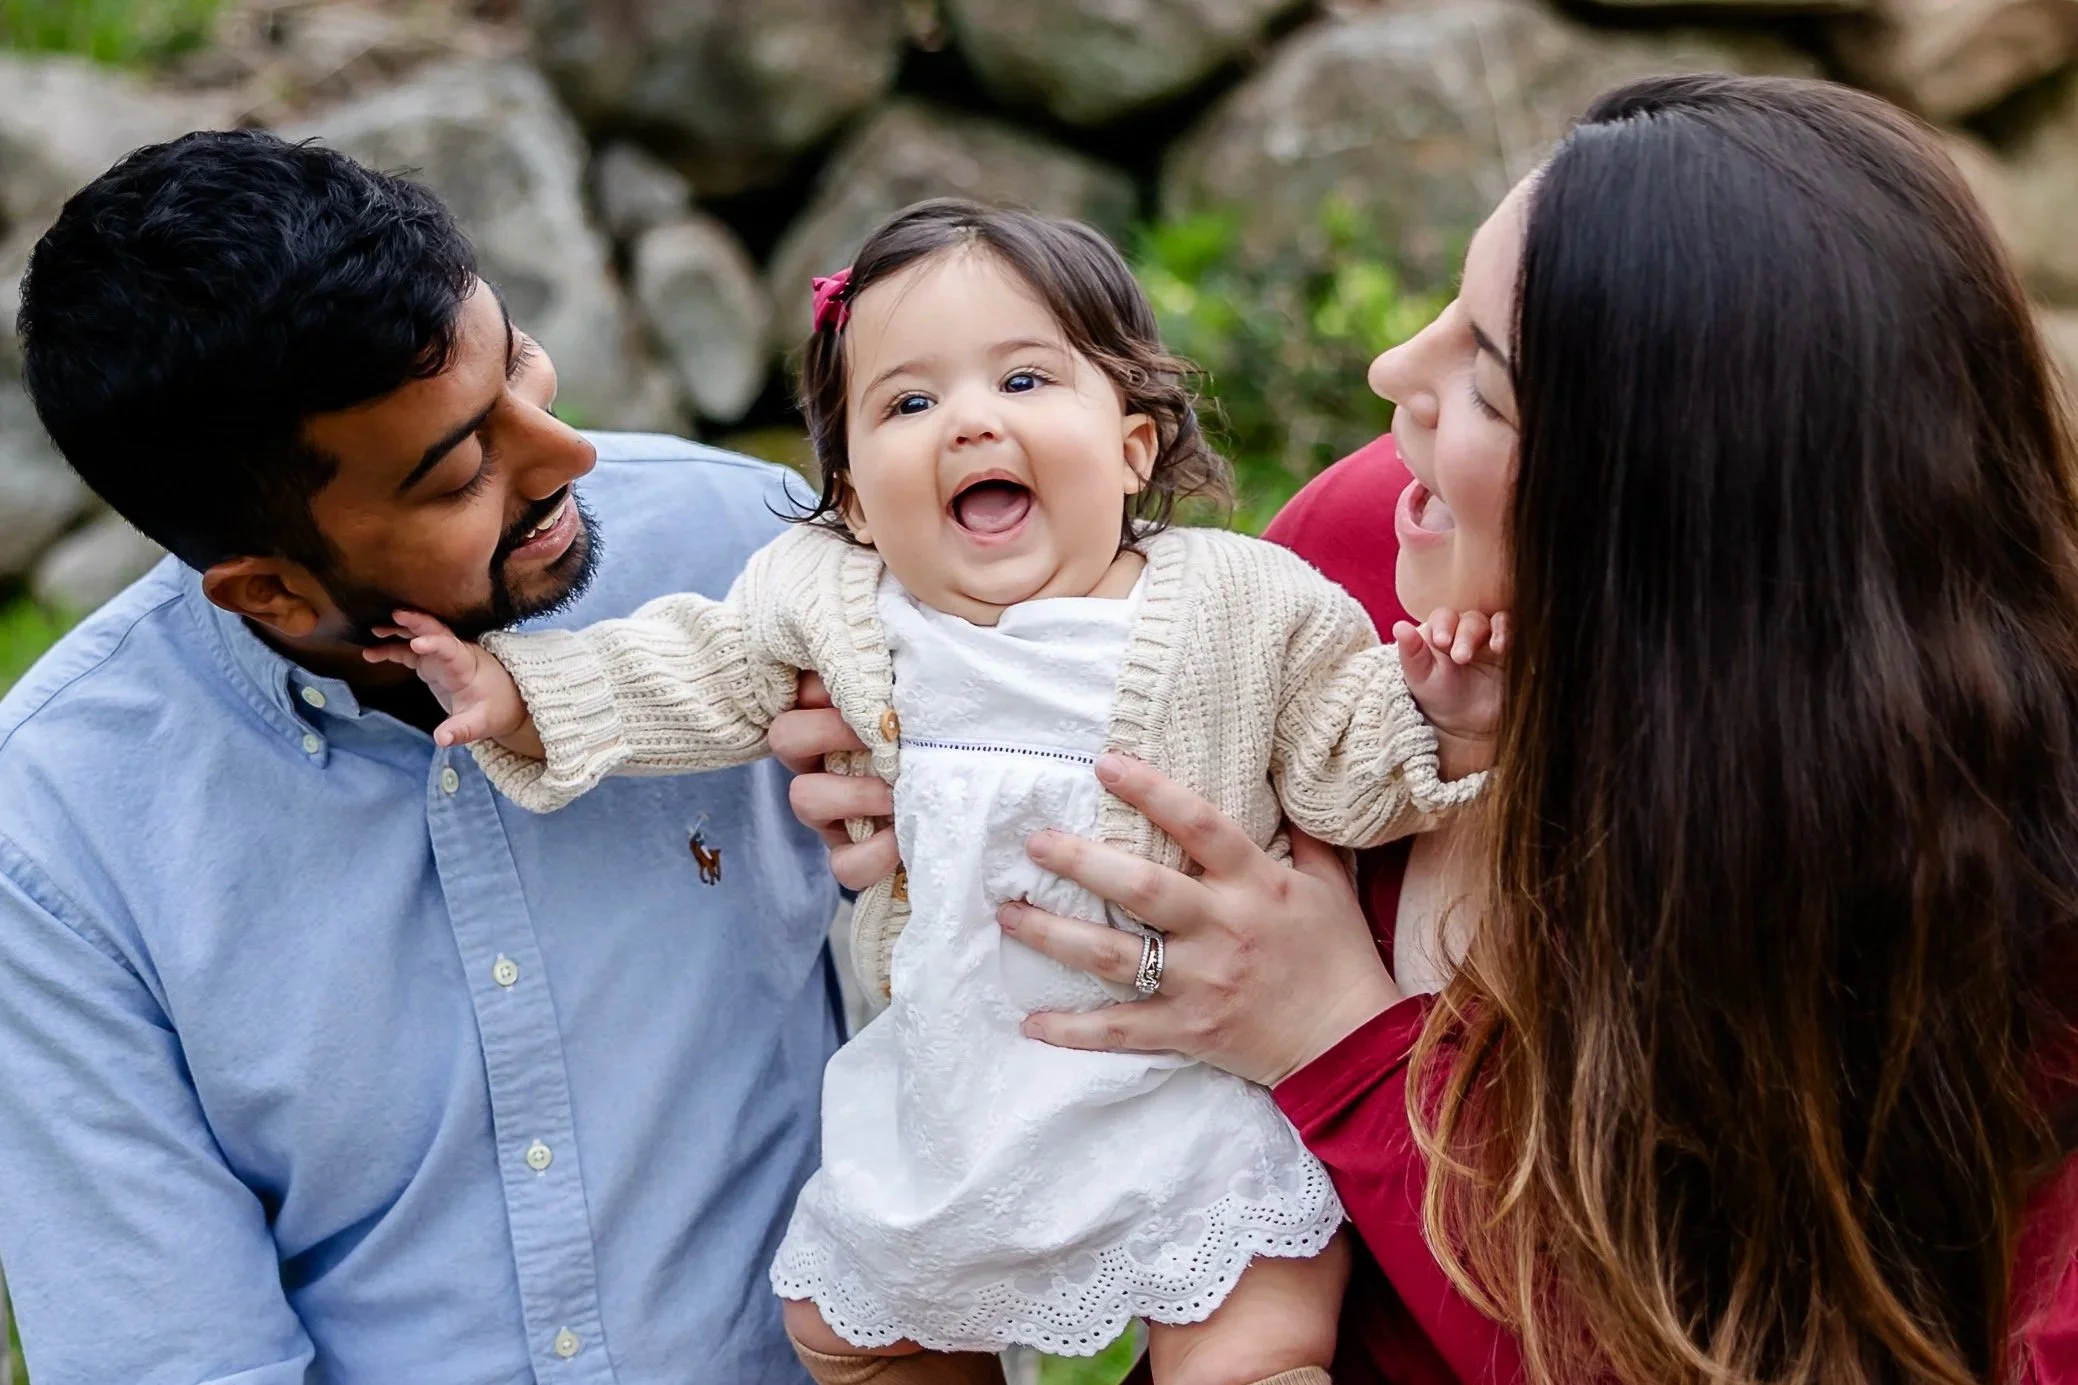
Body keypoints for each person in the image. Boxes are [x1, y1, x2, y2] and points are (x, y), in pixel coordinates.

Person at [779, 75, 2078, 1384]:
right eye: (1442, 315)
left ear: (1669, 514)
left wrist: (1340, 1043)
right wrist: (933, 740)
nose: (1389, 372)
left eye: (1488, 385)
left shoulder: (1994, 926)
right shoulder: (1357, 552)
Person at [381, 198, 1503, 1385]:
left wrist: (1438, 712)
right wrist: (520, 690)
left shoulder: (1246, 602)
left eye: (1023, 381)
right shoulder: (838, 602)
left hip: (1186, 1085)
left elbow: (1341, 765)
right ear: (857, 500)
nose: (968, 421)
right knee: (849, 1328)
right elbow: (686, 662)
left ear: (1130, 443)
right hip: (959, 1095)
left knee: (1254, 1333)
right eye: (907, 404)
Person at [0, 129, 843, 1383]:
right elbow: (175, 1354)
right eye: (459, 474)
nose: (566, 456)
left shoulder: (758, 564)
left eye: (520, 366)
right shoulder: (56, 834)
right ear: (271, 589)